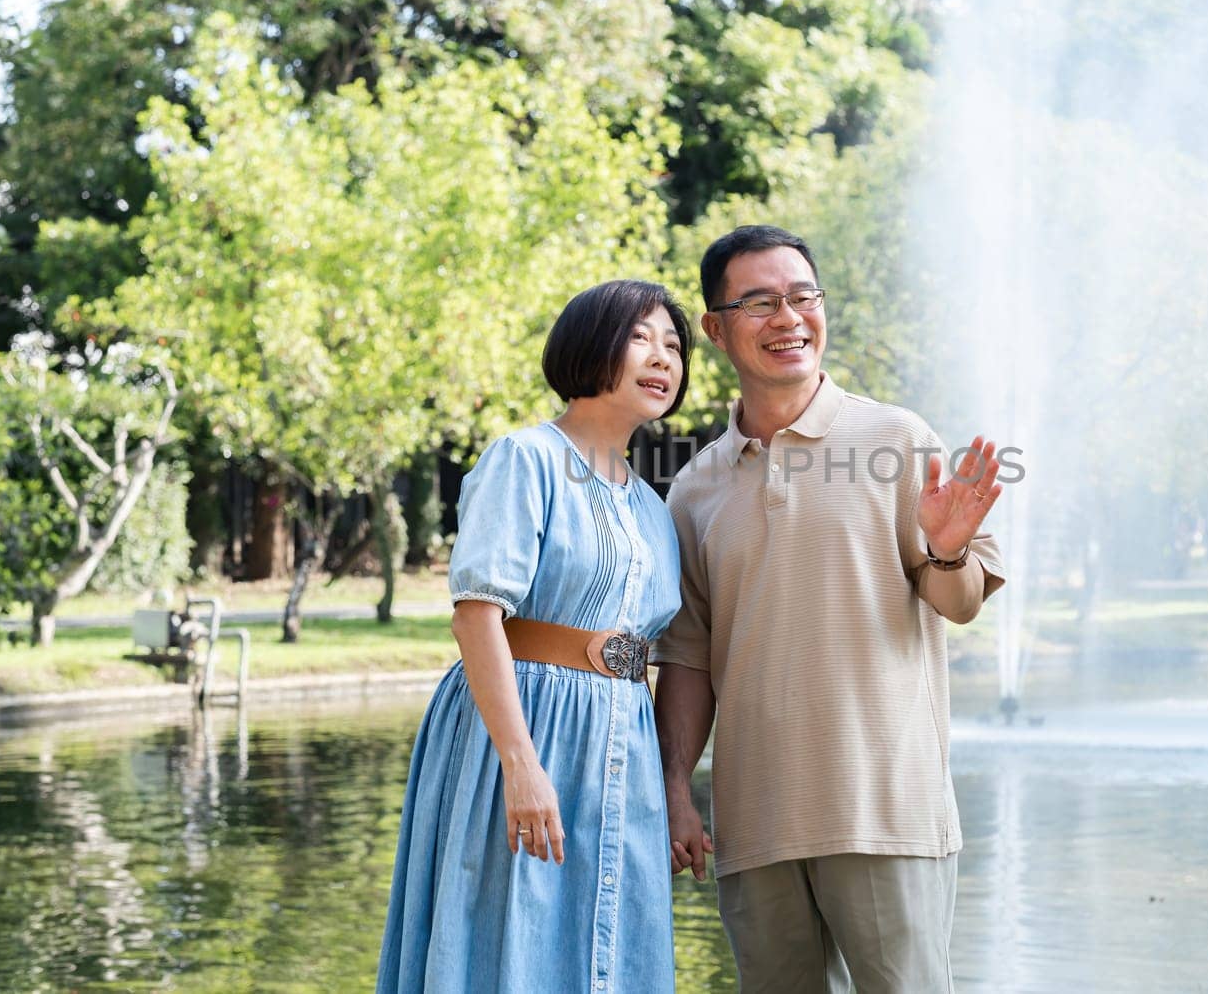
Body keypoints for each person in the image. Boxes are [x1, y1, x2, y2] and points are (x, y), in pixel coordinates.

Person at [653, 225, 1007, 993]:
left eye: (802, 296)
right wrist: (675, 786)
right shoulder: (694, 488)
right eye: (759, 301)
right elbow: (687, 658)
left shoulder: (897, 439)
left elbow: (961, 601)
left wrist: (945, 548)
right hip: (756, 824)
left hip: (885, 811)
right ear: (715, 328)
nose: (788, 317)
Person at [378, 279, 692, 994]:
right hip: (527, 730)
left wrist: (674, 787)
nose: (663, 357)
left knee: (611, 941)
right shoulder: (526, 459)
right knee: (504, 934)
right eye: (641, 336)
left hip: (622, 744)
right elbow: (476, 614)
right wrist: (520, 763)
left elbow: (662, 650)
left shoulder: (650, 504)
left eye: (673, 345)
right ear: (591, 345)